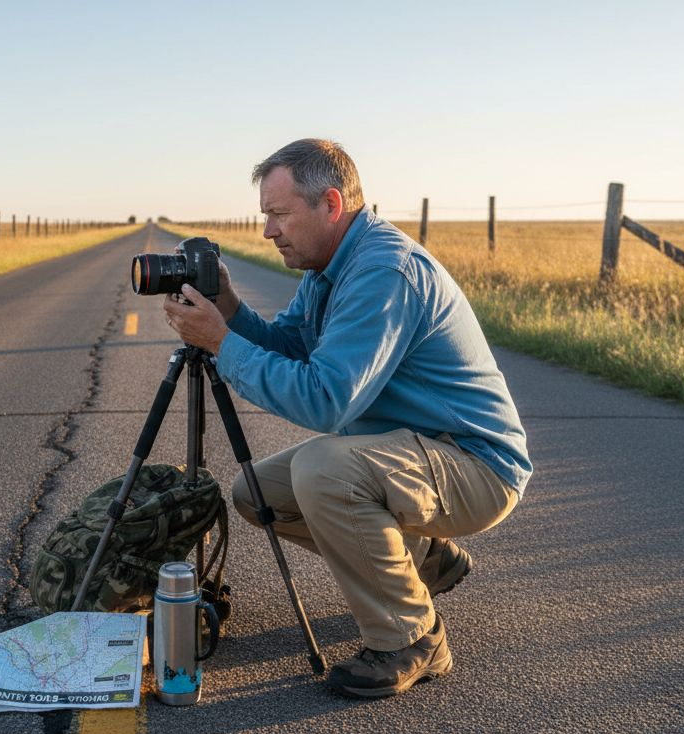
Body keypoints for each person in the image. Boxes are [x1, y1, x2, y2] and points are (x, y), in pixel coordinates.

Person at [161, 138, 532, 698]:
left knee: (323, 470)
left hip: (475, 463)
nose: (268, 231)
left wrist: (220, 343)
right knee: (255, 492)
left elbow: (326, 399)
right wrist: (232, 310)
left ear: (330, 204)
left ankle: (411, 638)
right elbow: (290, 342)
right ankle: (425, 558)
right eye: (266, 216)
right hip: (414, 452)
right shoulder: (328, 267)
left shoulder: (384, 272)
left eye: (278, 215)